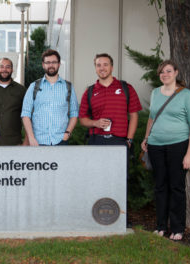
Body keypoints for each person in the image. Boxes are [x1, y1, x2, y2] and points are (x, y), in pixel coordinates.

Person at [78, 53, 142, 228]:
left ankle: (122, 218)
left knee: (121, 180)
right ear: (95, 68)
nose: (102, 68)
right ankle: (97, 218)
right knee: (96, 179)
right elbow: (82, 119)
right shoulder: (90, 91)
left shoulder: (126, 88)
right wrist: (95, 122)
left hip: (119, 141)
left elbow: (134, 116)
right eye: (98, 65)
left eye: (105, 64)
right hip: (96, 140)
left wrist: (129, 139)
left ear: (112, 67)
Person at [141, 60, 190, 241]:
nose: (164, 75)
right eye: (161, 72)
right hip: (156, 145)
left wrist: (189, 153)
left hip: (178, 145)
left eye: (168, 71)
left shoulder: (186, 95)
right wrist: (146, 138)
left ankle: (177, 228)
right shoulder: (155, 93)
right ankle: (160, 226)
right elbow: (151, 118)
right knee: (160, 187)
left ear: (176, 72)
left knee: (176, 187)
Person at [21, 49, 78, 146]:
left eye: (54, 62)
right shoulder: (33, 86)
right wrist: (31, 137)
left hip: (61, 141)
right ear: (43, 64)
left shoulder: (68, 87)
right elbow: (25, 114)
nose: (51, 65)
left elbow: (74, 113)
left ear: (59, 64)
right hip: (38, 141)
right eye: (48, 62)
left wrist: (68, 133)